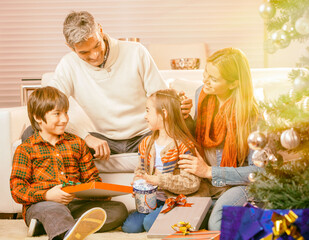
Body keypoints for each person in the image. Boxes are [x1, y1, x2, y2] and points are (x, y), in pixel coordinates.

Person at [38, 10, 193, 161]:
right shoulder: (69, 64)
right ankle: (54, 186)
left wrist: (177, 106)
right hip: (104, 141)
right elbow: (47, 108)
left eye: (97, 45)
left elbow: (160, 95)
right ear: (71, 47)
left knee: (188, 122)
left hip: (148, 133)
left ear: (100, 29)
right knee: (34, 131)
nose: (95, 55)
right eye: (84, 53)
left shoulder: (136, 52)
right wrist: (86, 137)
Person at [10, 86, 128, 240]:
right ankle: (63, 232)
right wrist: (47, 195)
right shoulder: (26, 149)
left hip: (75, 204)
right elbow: (17, 189)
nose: (65, 119)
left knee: (119, 210)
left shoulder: (77, 143)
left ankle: (52, 226)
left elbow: (92, 179)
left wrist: (98, 193)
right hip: (43, 204)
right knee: (54, 209)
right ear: (38, 117)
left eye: (66, 112)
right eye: (57, 114)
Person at [178, 48, 260, 231]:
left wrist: (209, 171)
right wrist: (185, 118)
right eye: (205, 73)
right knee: (184, 222)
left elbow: (258, 171)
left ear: (233, 84)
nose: (204, 80)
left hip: (238, 183)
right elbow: (201, 136)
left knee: (216, 225)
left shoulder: (252, 117)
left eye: (213, 79)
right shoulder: (202, 94)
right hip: (208, 182)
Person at [121, 89, 209, 233]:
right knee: (130, 227)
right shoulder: (146, 143)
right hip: (154, 200)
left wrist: (158, 180)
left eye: (148, 111)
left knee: (150, 224)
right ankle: (159, 214)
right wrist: (139, 182)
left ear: (164, 113)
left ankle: (192, 215)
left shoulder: (184, 145)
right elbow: (141, 170)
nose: (145, 116)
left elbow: (191, 183)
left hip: (177, 200)